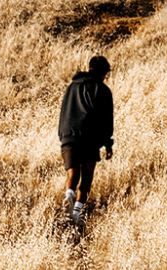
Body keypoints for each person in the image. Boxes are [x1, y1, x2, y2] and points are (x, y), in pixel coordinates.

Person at [57, 55, 114, 225]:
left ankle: (68, 196)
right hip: (89, 139)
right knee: (87, 177)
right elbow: (106, 120)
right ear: (103, 72)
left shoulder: (71, 87)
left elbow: (64, 112)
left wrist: (63, 135)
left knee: (72, 173)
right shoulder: (103, 90)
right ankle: (76, 214)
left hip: (69, 136)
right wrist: (107, 143)